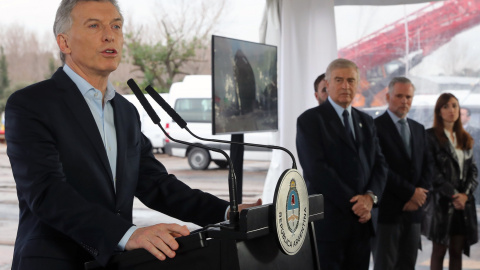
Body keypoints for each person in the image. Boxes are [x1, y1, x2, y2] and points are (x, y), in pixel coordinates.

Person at [5, 1, 260, 269]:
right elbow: (47, 192)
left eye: (116, 25)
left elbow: (156, 184)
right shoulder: (31, 104)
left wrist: (227, 212)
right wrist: (127, 234)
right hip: (54, 262)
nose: (109, 35)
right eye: (94, 25)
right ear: (64, 43)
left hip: (116, 263)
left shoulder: (126, 112)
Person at [296, 58, 387, 270]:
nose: (346, 86)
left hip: (362, 226)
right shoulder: (310, 120)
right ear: (327, 84)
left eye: (351, 80)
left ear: (357, 84)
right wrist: (356, 204)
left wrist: (370, 199)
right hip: (329, 225)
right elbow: (316, 170)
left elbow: (380, 165)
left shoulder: (367, 121)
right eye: (339, 80)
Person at [372, 77, 432, 270]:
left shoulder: (418, 128)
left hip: (414, 213)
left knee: (408, 265)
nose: (404, 101)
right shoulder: (374, 127)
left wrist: (419, 195)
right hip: (387, 212)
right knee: (385, 265)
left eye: (408, 97)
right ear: (388, 96)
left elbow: (428, 166)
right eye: (399, 96)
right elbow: (380, 168)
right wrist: (410, 193)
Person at [423, 93, 478, 270]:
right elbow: (432, 173)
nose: (451, 110)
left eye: (454, 105)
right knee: (439, 251)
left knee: (457, 251)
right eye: (446, 106)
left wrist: (465, 195)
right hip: (442, 203)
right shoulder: (430, 136)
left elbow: (473, 171)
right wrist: (455, 196)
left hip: (464, 205)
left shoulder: (465, 137)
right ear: (439, 111)